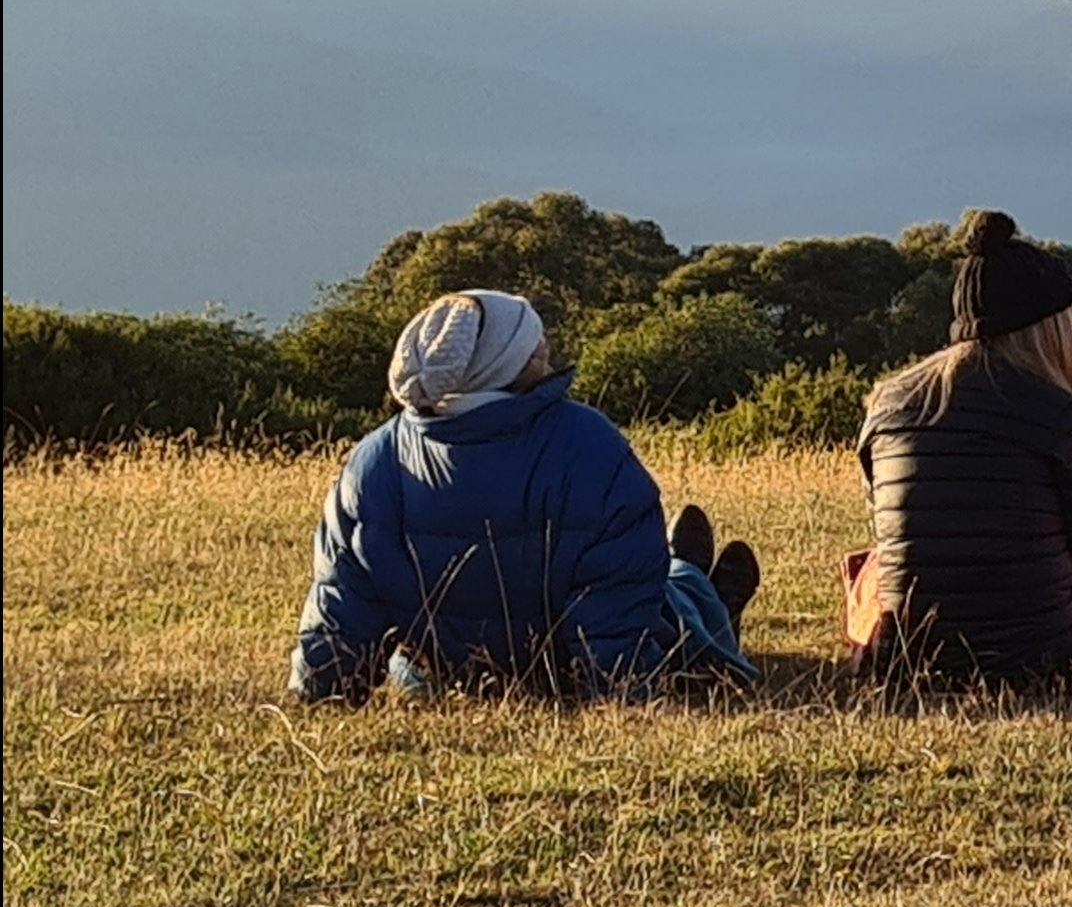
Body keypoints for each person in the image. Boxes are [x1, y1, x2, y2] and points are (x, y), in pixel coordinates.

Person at [293, 290, 758, 701]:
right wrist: (623, 690)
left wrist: (321, 688)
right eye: (535, 344)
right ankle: (704, 590)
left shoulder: (373, 460)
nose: (546, 350)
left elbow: (343, 599)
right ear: (510, 363)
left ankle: (698, 582)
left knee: (407, 667)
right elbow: (615, 604)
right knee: (674, 595)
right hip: (560, 672)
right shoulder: (586, 442)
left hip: (449, 674)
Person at [851, 210, 1072, 688]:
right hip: (1044, 660)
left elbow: (892, 535)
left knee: (871, 571)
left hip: (907, 660)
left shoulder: (889, 404)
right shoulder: (1063, 416)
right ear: (1053, 331)